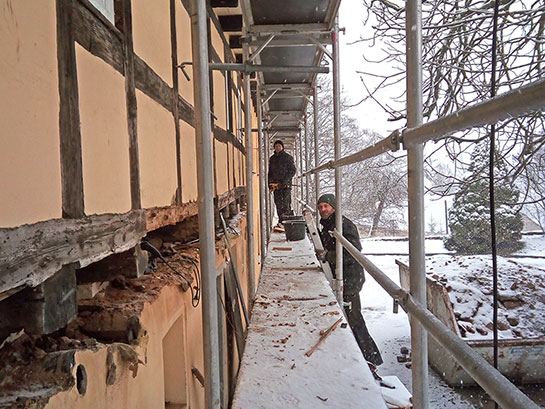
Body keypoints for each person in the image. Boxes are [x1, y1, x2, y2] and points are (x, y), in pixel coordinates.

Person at [317, 193, 383, 366]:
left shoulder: (344, 225)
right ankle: (365, 356)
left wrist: (328, 256)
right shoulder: (329, 224)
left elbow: (353, 252)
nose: (323, 209)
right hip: (343, 275)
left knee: (354, 318)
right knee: (351, 316)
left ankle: (371, 358)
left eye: (326, 206)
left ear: (333, 207)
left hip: (350, 278)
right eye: (320, 206)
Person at [268, 140, 296, 224]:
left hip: (285, 185)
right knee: (278, 204)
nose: (277, 148)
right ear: (274, 148)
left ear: (282, 147)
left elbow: (292, 171)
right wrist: (269, 183)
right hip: (276, 185)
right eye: (276, 146)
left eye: (279, 146)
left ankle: (288, 222)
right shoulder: (272, 159)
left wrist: (285, 181)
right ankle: (281, 222)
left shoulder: (288, 157)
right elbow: (270, 172)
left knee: (286, 204)